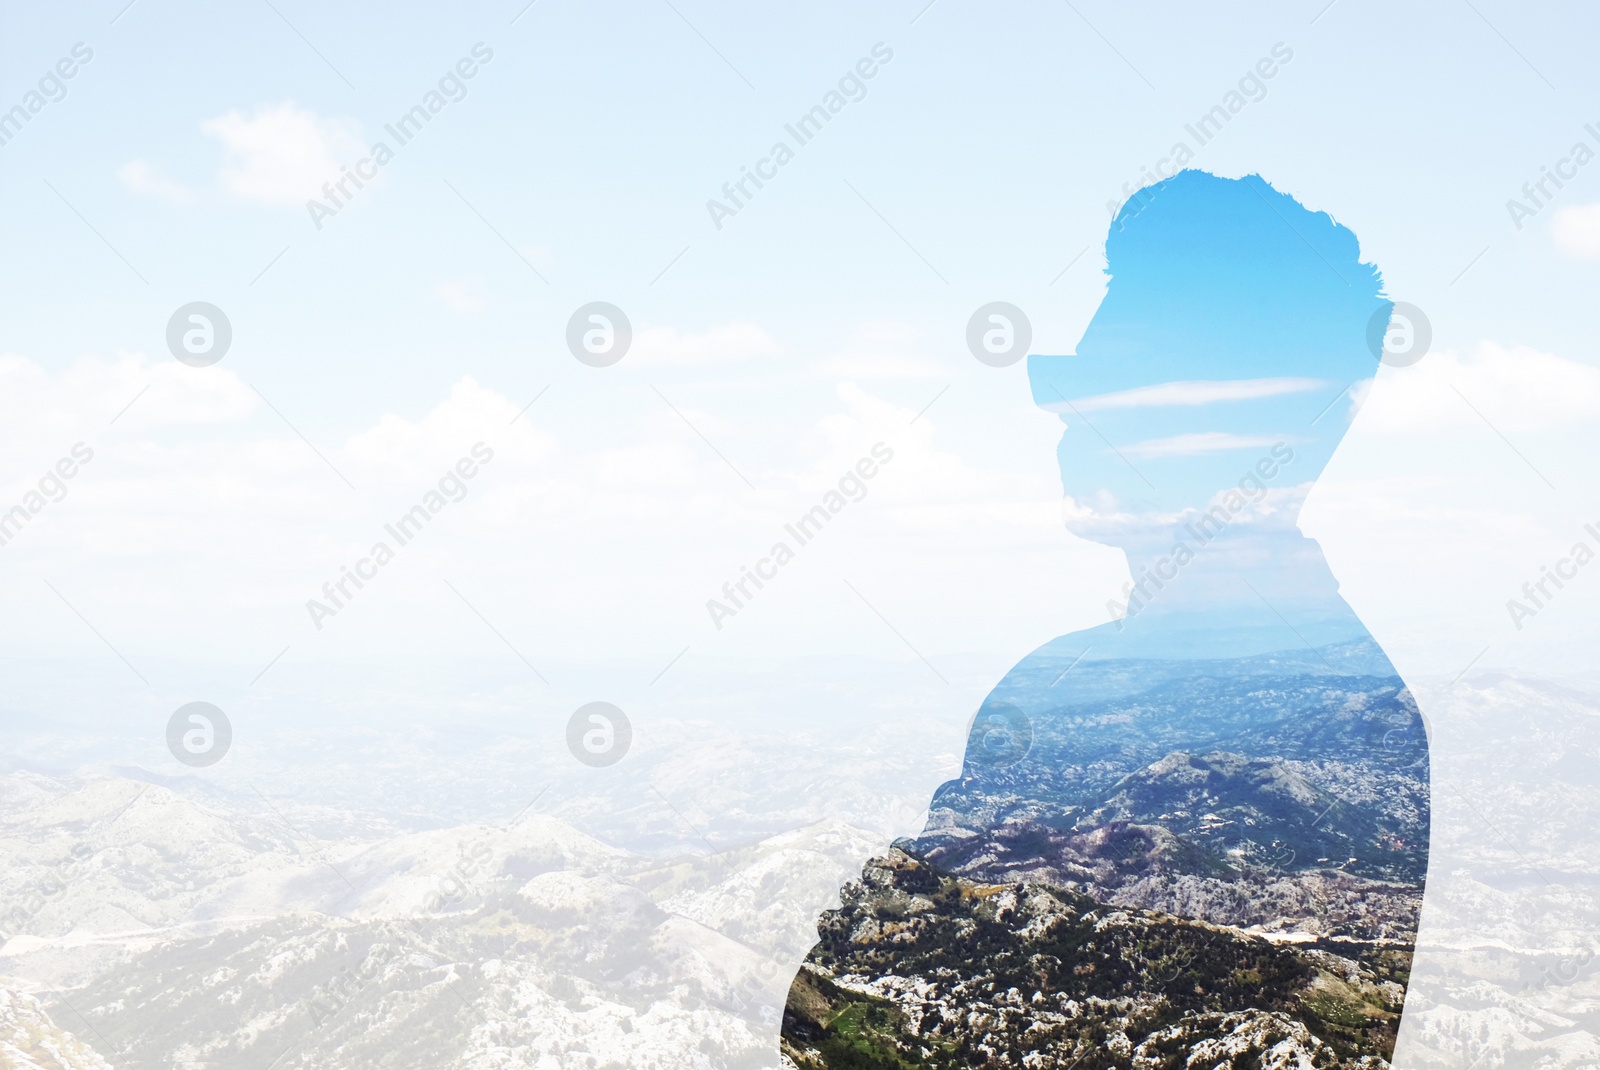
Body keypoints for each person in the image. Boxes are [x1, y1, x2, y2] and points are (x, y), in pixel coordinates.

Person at [782, 170, 1430, 1069]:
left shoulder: (1372, 724)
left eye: (1124, 388)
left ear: (1285, 427)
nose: (1068, 424)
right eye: (1069, 385)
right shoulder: (1046, 687)